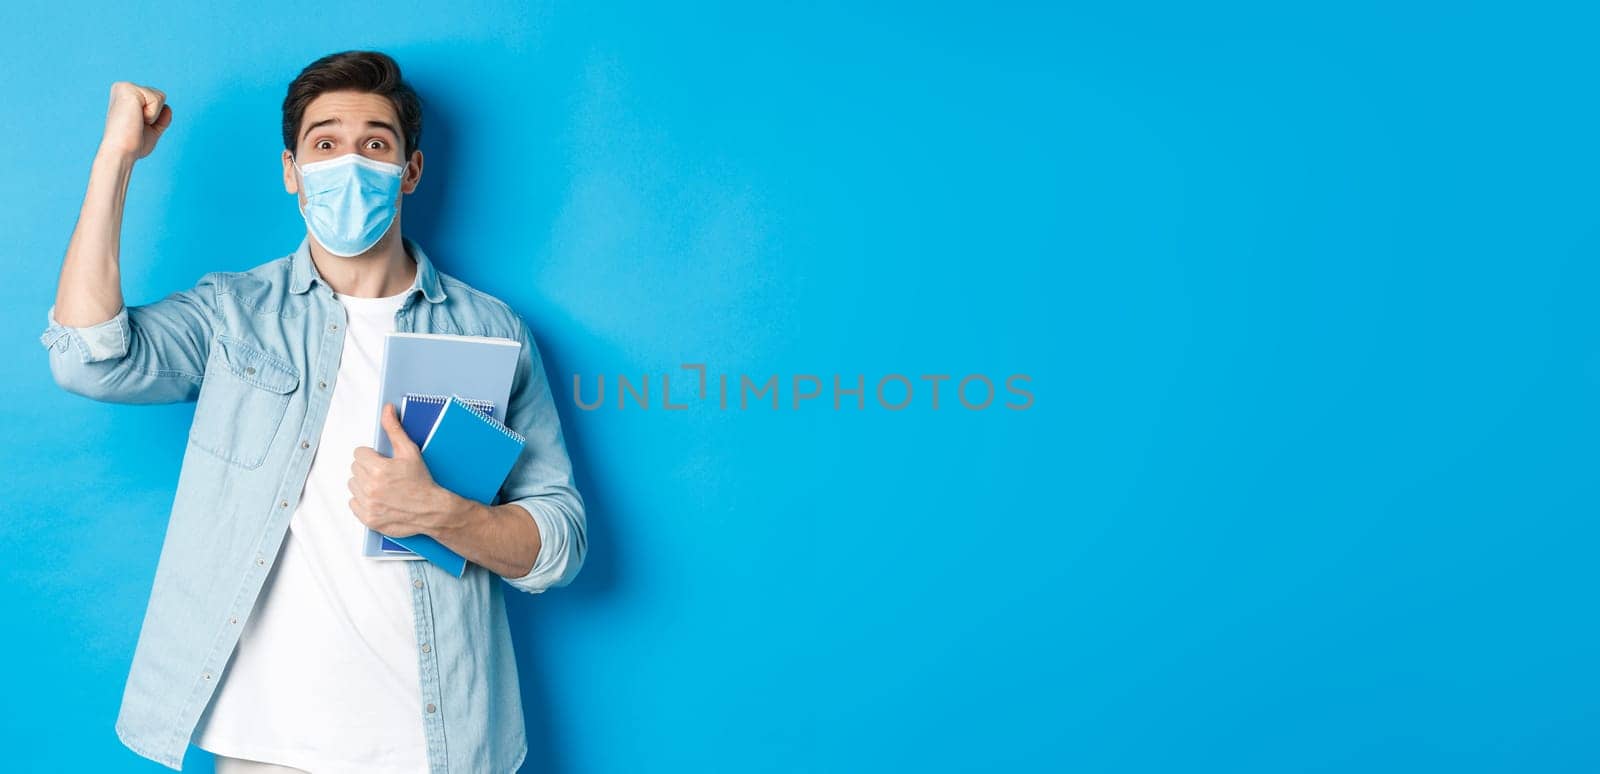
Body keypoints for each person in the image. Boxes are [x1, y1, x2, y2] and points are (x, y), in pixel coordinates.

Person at [39, 50, 586, 773]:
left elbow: (560, 541)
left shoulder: (492, 332)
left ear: (410, 171)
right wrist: (117, 156)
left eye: (376, 144)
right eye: (325, 144)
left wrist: (443, 514)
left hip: (438, 743)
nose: (349, 163)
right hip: (265, 745)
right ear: (292, 170)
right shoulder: (232, 315)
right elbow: (86, 356)